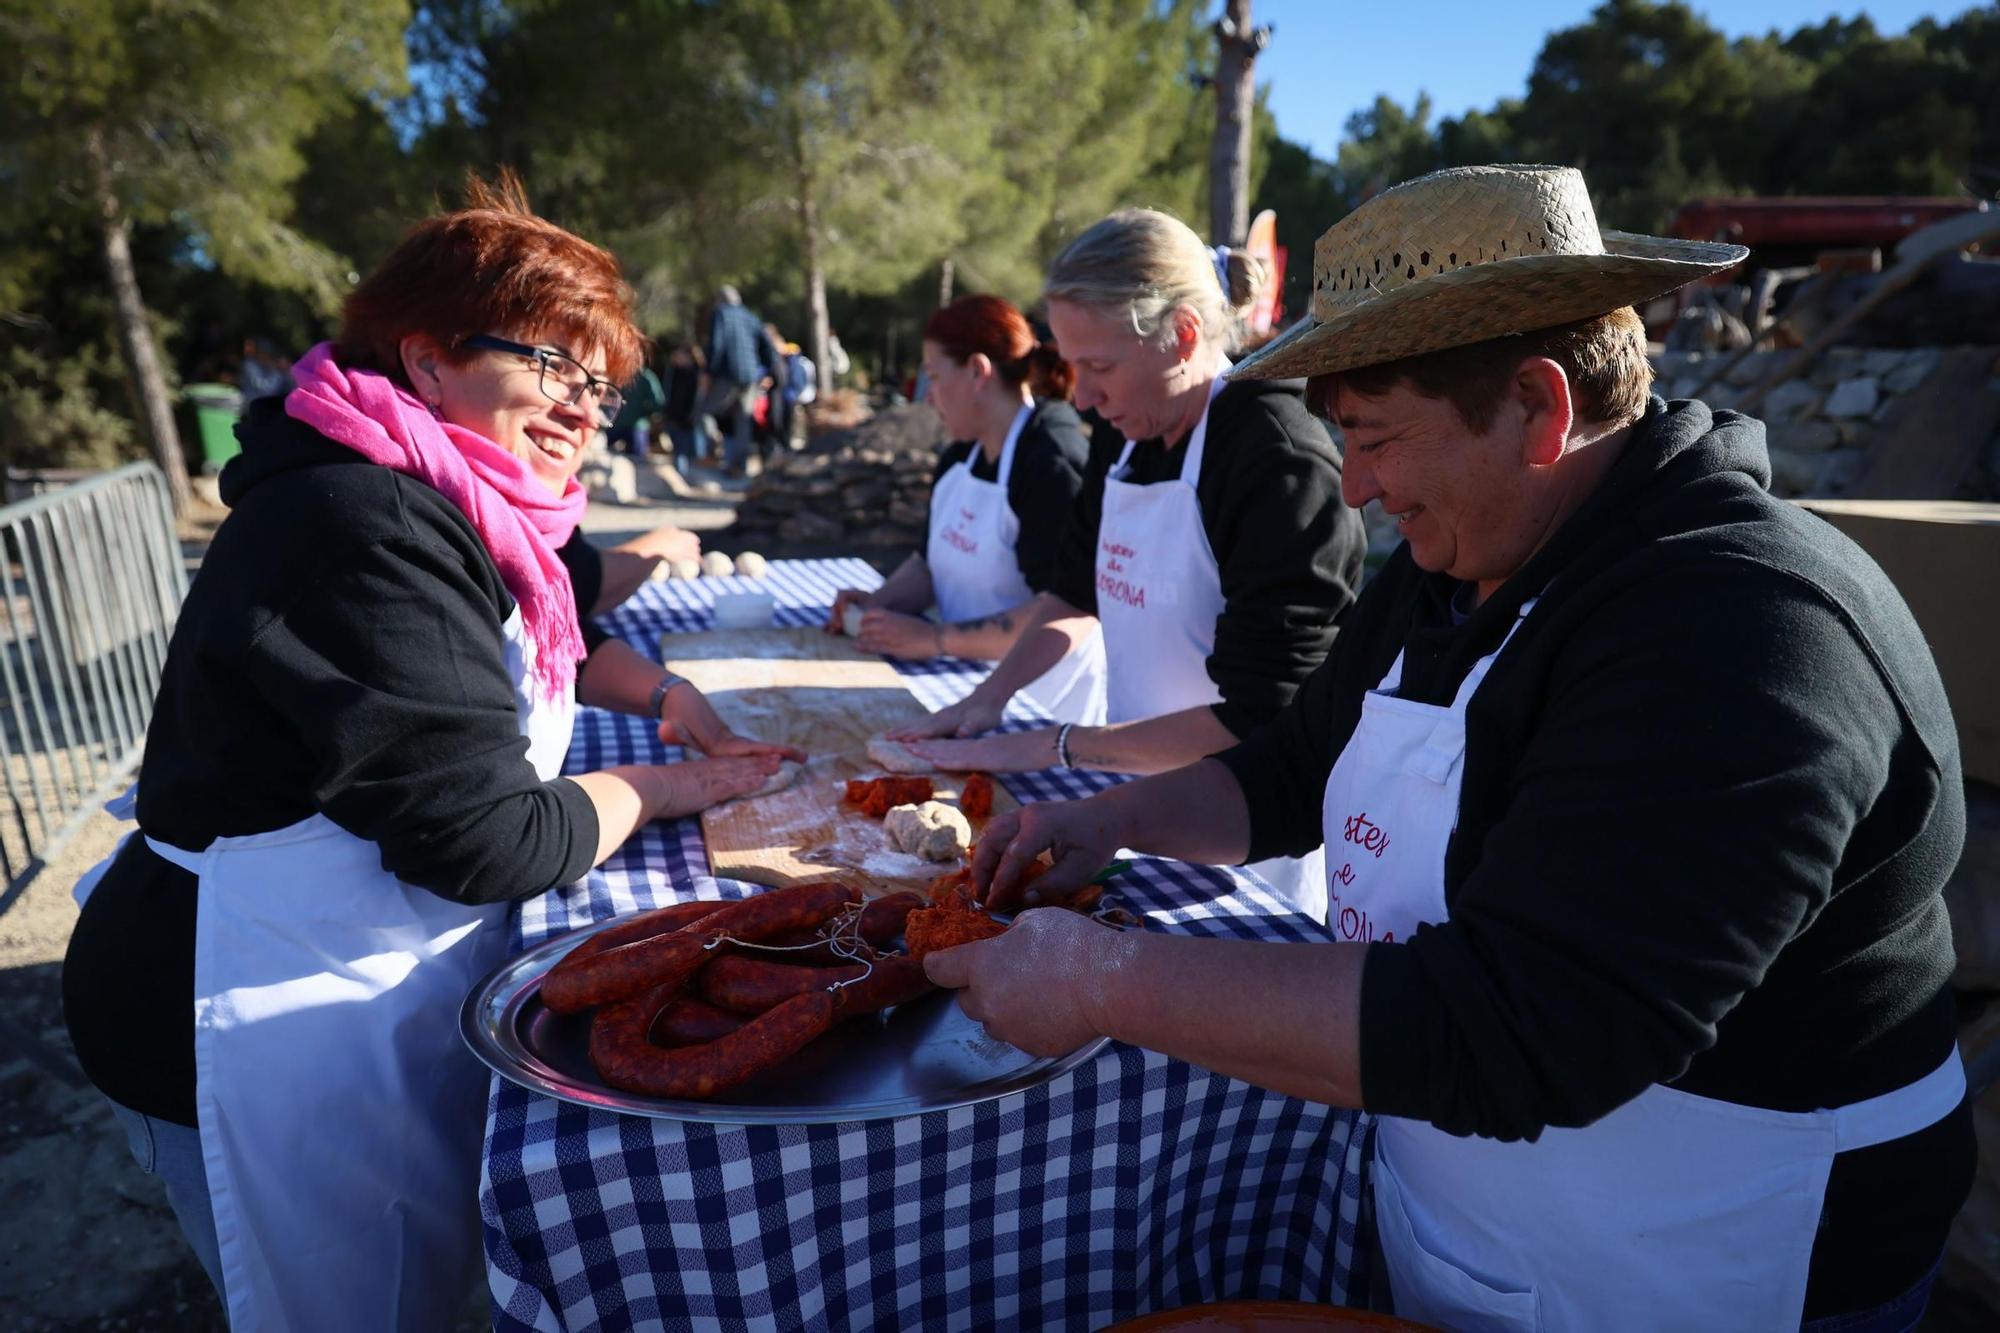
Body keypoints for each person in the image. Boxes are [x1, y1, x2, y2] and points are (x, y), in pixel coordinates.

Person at [929, 165, 1974, 1332]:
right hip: (1482, 1226)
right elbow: (1294, 765)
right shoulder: (1463, 563)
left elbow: (1524, 1026)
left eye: (1374, 438)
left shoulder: (1743, 632)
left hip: (1722, 1263)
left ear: (1537, 407)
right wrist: (1105, 821)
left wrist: (1099, 981)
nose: (1359, 489)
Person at [60, 173, 801, 1332]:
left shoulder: (450, 499)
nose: (580, 405)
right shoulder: (360, 517)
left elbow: (527, 637)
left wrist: (663, 690)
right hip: (242, 1010)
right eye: (547, 363)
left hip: (350, 974)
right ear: (425, 358)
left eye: (597, 382)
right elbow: (487, 836)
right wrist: (661, 787)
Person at [897, 208, 1367, 914]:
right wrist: (985, 700)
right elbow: (1070, 593)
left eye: (1099, 366)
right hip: (1128, 802)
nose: (1082, 395)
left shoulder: (1276, 461)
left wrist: (1057, 745)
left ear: (1181, 335)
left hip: (1244, 846)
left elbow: (1262, 716)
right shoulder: (1128, 436)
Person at [826, 294, 1107, 725]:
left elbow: (1066, 608)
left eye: (935, 378)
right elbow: (929, 565)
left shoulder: (1050, 462)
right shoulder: (960, 456)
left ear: (978, 372)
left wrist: (936, 638)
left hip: (1042, 713)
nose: (929, 398)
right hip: (964, 689)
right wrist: (878, 609)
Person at [700, 286, 780, 476]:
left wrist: (708, 372)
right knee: (742, 419)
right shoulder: (751, 316)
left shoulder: (720, 314)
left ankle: (714, 447)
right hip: (750, 376)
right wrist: (769, 371)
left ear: (720, 300)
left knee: (704, 412)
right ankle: (740, 466)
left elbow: (716, 344)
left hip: (727, 374)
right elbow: (769, 347)